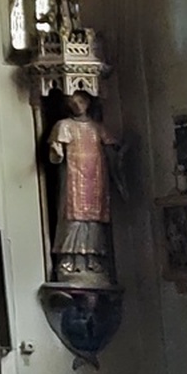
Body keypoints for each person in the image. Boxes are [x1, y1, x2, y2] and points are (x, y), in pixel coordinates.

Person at [45, 88, 117, 284]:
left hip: (95, 177)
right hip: (74, 177)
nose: (77, 106)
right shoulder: (64, 126)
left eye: (81, 101)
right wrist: (57, 151)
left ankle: (93, 261)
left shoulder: (97, 128)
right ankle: (69, 260)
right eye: (73, 102)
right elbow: (55, 153)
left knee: (93, 221)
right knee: (73, 218)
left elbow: (112, 151)